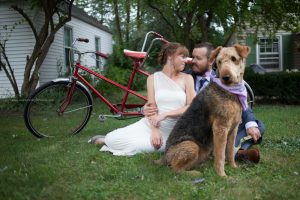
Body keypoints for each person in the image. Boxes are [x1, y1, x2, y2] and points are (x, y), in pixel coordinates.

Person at [144, 42, 265, 163]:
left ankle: (231, 152)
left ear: (211, 61)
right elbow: (165, 97)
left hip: (221, 122)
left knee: (257, 125)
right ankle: (238, 153)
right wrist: (145, 108)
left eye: (198, 58)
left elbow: (242, 104)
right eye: (193, 57)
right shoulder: (183, 77)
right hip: (197, 129)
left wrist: (250, 123)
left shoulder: (228, 76)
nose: (192, 61)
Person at [88, 42, 196, 156]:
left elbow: (191, 107)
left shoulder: (187, 79)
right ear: (170, 55)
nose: (186, 60)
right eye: (182, 57)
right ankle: (107, 140)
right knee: (113, 138)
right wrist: (154, 131)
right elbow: (151, 107)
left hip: (174, 131)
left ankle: (106, 141)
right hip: (151, 126)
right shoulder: (153, 78)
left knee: (144, 146)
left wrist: (165, 114)